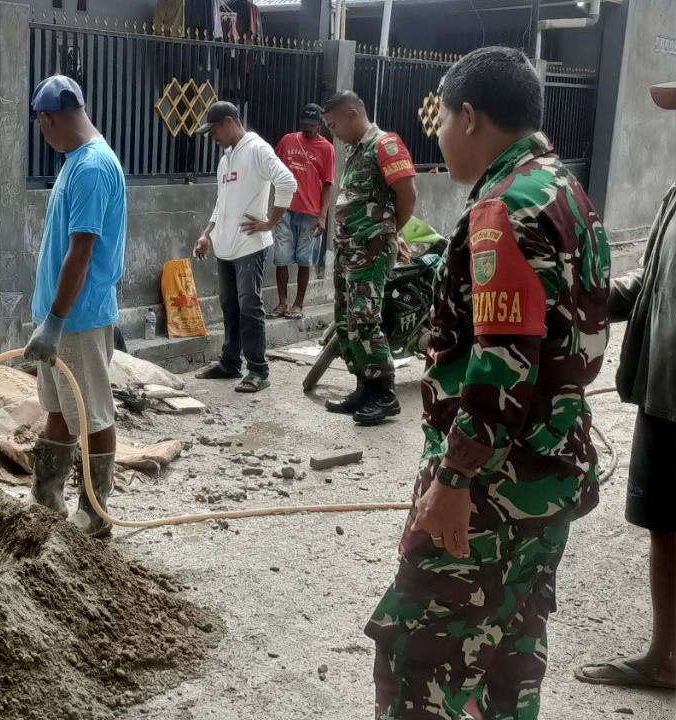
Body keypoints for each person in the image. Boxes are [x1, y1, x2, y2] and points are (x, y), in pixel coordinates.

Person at [365, 47, 611, 719]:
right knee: (510, 657)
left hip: (490, 492)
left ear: (470, 117)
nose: (436, 136)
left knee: (416, 661)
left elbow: (503, 363)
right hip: (547, 475)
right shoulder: (563, 188)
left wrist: (453, 483)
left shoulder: (503, 209)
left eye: (440, 119)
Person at [574, 79, 676, 692]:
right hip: (665, 396)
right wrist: (589, 298)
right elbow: (651, 283)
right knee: (665, 527)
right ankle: (667, 654)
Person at [24, 75, 127, 540]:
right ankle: (47, 498)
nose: (42, 134)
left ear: (47, 118)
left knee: (91, 413)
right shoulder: (75, 160)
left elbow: (81, 253)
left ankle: (94, 513)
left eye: (41, 126)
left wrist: (56, 321)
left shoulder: (90, 168)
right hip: (61, 316)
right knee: (62, 408)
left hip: (78, 319)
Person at [322, 91, 417, 425]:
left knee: (366, 318)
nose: (332, 132)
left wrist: (387, 233)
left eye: (333, 124)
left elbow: (408, 196)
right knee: (347, 319)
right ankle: (365, 386)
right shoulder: (356, 150)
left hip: (370, 250)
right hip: (349, 250)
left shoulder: (385, 145)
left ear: (351, 114)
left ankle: (384, 394)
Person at [192, 101, 298, 393]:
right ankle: (229, 362)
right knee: (230, 306)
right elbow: (220, 202)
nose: (213, 137)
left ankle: (258, 370)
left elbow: (288, 182)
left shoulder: (257, 149)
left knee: (250, 307)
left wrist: (271, 222)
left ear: (229, 122)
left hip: (250, 246)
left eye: (214, 130)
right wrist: (207, 234)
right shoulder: (226, 158)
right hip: (225, 247)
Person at [270, 103, 335, 318]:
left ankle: (298, 304)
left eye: (312, 124)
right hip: (285, 208)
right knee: (281, 256)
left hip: (310, 212)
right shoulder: (288, 140)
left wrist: (323, 216)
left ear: (320, 125)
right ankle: (282, 303)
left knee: (304, 259)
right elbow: (273, 169)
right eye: (305, 124)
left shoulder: (327, 149)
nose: (308, 128)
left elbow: (327, 185)